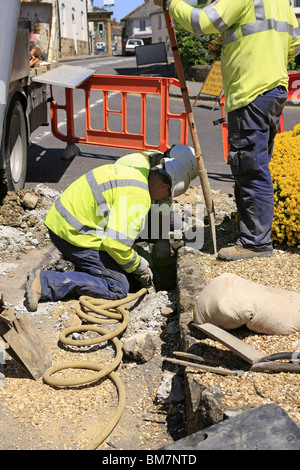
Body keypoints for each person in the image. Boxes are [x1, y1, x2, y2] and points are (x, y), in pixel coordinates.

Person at [155, 0, 300, 260]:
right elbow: (295, 45)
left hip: (250, 91)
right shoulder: (282, 2)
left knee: (249, 167)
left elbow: (201, 21)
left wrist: (171, 3)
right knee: (257, 164)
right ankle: (254, 234)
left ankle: (255, 242)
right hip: (273, 89)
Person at [25, 157, 191, 312]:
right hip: (73, 233)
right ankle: (46, 282)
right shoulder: (139, 196)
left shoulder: (137, 172)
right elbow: (115, 244)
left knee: (121, 264)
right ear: (165, 187)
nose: (164, 201)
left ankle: (89, 269)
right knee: (118, 286)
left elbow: (120, 230)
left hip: (66, 220)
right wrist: (140, 266)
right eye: (167, 197)